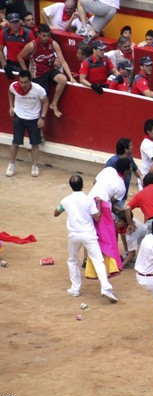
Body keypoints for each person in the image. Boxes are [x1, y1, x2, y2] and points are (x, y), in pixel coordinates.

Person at [54, 175, 118, 303]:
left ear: (71, 186)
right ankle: (105, 287)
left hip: (73, 235)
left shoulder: (66, 200)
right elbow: (97, 217)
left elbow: (56, 212)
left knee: (72, 260)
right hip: (88, 234)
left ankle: (75, 288)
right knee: (98, 260)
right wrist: (99, 205)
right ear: (82, 185)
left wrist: (62, 207)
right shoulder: (88, 200)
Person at [18, 24, 76, 118]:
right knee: (40, 101)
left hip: (49, 70)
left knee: (62, 79)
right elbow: (20, 57)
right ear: (39, 34)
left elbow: (63, 61)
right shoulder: (32, 46)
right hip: (37, 74)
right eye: (44, 35)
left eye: (48, 35)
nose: (46, 38)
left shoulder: (53, 43)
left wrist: (71, 77)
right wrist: (26, 72)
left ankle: (54, 104)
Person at [6, 70, 47, 179]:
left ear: (30, 81)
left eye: (25, 82)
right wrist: (11, 106)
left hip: (34, 119)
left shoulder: (38, 89)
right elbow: (10, 92)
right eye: (21, 82)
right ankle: (11, 164)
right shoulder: (14, 86)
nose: (23, 85)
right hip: (19, 117)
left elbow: (46, 102)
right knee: (15, 142)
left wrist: (42, 117)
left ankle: (34, 166)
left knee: (35, 144)